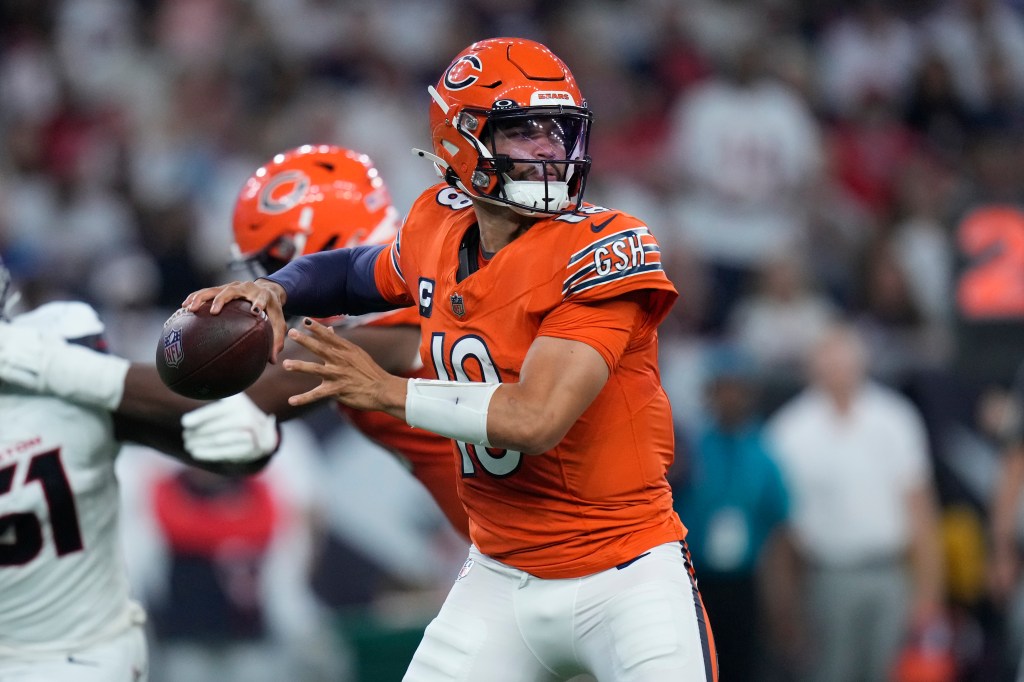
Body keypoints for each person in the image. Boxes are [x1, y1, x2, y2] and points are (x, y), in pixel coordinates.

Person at [186, 37, 718, 681]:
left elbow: (536, 417)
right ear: (460, 146)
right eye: (524, 132)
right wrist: (280, 286)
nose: (551, 150)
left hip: (625, 575)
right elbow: (358, 270)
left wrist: (389, 391)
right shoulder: (438, 225)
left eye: (559, 131)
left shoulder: (606, 246)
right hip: (498, 576)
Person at [0, 259, 277, 682]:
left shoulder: (52, 350)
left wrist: (54, 367)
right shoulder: (49, 358)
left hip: (82, 655)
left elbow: (236, 434)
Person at [766, 322, 947, 682]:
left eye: (845, 357)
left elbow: (920, 508)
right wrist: (784, 605)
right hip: (825, 578)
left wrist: (929, 595)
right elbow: (780, 529)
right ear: (812, 365)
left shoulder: (895, 418)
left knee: (894, 671)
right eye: (828, 359)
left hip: (891, 574)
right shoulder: (788, 431)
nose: (838, 367)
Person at [671, 346, 798, 681]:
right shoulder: (690, 449)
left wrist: (783, 603)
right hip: (696, 582)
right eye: (722, 389)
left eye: (737, 389)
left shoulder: (764, 452)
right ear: (709, 394)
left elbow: (780, 526)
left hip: (746, 584)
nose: (730, 398)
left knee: (745, 667)